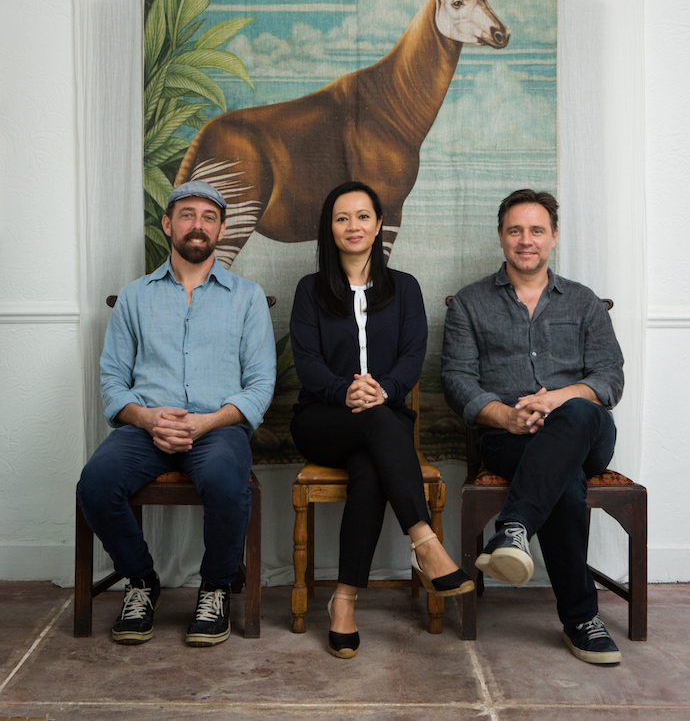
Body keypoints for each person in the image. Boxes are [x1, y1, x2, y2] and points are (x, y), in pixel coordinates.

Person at [77, 180, 276, 647]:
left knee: (228, 480)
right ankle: (142, 581)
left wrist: (206, 422)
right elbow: (112, 382)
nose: (198, 225)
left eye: (209, 217)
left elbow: (260, 385)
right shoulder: (134, 297)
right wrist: (147, 419)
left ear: (222, 229)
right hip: (144, 428)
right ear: (168, 224)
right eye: (187, 214)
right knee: (96, 483)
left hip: (217, 427)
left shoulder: (246, 297)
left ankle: (216, 587)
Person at [290, 180, 473, 659]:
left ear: (378, 226)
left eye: (363, 216)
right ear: (329, 230)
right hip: (322, 420)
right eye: (342, 217)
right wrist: (345, 389)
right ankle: (425, 542)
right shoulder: (310, 291)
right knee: (377, 422)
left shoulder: (405, 288)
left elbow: (414, 356)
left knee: (371, 466)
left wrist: (385, 389)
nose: (354, 226)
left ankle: (344, 601)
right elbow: (307, 363)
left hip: (381, 421)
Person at [441, 188, 625, 666]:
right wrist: (507, 416)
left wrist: (557, 400)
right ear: (501, 238)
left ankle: (514, 528)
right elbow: (457, 379)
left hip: (586, 435)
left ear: (554, 237)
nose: (527, 240)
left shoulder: (584, 302)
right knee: (561, 483)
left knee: (581, 412)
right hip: (508, 438)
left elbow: (609, 378)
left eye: (537, 230)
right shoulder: (468, 304)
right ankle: (582, 619)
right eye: (515, 230)